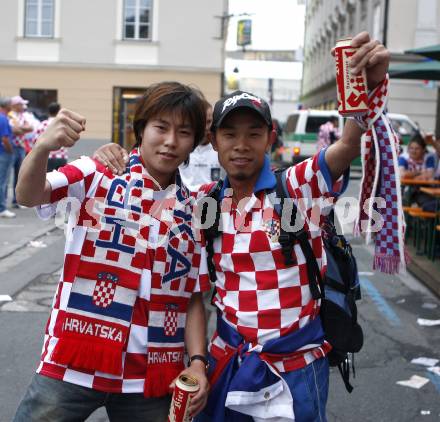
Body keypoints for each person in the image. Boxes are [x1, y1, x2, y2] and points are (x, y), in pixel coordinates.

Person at [92, 31, 390, 421]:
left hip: (296, 366)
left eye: (253, 134)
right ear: (213, 141)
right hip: (229, 362)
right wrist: (114, 155)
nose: (241, 145)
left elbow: (348, 144)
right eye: (230, 134)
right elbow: (153, 182)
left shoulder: (298, 187)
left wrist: (366, 88)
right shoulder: (206, 203)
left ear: (270, 138)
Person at [14, 82, 211, 421]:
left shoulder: (191, 209)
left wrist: (197, 362)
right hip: (73, 362)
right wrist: (43, 146)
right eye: (161, 127)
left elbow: (192, 296)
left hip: (150, 377)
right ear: (142, 128)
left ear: (193, 142)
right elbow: (30, 195)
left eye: (184, 132)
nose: (170, 141)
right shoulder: (97, 174)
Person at [179, 102, 224, 190]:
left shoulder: (221, 149)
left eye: (208, 122)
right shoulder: (180, 147)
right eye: (200, 121)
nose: (204, 127)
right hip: (184, 201)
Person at [8, 95, 37, 208]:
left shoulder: (21, 116)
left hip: (20, 147)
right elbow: (14, 130)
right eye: (21, 104)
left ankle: (16, 200)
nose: (23, 106)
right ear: (15, 105)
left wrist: (20, 129)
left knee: (18, 175)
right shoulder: (11, 115)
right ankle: (4, 203)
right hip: (12, 147)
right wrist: (21, 129)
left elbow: (30, 128)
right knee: (5, 176)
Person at [399, 134, 436, 207]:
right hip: (405, 188)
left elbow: (430, 175)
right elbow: (403, 174)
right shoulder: (403, 157)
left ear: (423, 149)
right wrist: (420, 172)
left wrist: (412, 175)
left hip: (424, 189)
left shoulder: (429, 157)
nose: (413, 151)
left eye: (417, 148)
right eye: (411, 148)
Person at [33, 102, 68, 171]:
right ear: (59, 111)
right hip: (62, 156)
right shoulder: (63, 124)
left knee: (47, 179)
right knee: (61, 180)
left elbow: (35, 141)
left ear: (48, 111)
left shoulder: (42, 124)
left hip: (47, 157)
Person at [0, 97, 15, 218]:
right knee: (3, 181)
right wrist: (10, 150)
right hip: (4, 153)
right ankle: (2, 208)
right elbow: (5, 138)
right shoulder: (3, 118)